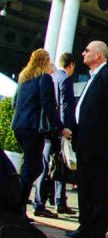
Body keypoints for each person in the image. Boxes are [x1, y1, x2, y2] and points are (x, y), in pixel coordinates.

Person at [66, 41, 108, 238]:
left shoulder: (107, 76)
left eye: (87, 50)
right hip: (83, 141)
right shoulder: (92, 77)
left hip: (96, 144)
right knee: (84, 186)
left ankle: (97, 231)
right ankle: (85, 226)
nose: (83, 53)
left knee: (96, 188)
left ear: (98, 55)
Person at [11, 49, 69, 221]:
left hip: (19, 126)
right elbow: (48, 105)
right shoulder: (44, 78)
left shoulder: (24, 78)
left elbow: (15, 102)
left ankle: (17, 206)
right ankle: (17, 209)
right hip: (33, 128)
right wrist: (60, 128)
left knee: (28, 166)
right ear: (45, 61)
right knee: (34, 167)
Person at [33, 53, 77, 217]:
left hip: (49, 128)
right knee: (56, 166)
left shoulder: (53, 77)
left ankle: (59, 201)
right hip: (58, 130)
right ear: (71, 65)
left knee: (55, 165)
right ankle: (44, 203)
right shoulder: (65, 79)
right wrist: (65, 130)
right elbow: (65, 107)